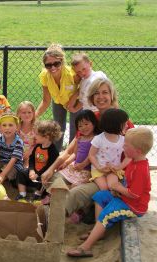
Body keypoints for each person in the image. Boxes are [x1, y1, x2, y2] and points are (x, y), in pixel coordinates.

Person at [41, 78, 135, 218]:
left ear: (112, 95)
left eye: (105, 92)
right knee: (54, 178)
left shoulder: (121, 121)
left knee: (76, 193)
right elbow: (70, 150)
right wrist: (51, 168)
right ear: (92, 97)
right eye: (96, 93)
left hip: (109, 174)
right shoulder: (90, 119)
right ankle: (75, 210)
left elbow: (133, 155)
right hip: (87, 169)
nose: (101, 97)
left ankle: (53, 217)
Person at [67, 127, 153, 257]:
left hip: (134, 206)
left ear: (137, 151)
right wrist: (117, 189)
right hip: (124, 198)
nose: (123, 147)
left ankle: (86, 247)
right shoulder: (134, 161)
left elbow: (135, 194)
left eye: (126, 146)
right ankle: (99, 232)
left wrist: (117, 187)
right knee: (99, 196)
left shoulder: (140, 169)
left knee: (107, 213)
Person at [35, 44, 79, 151]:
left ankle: (71, 156)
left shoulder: (72, 74)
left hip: (77, 101)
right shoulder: (45, 76)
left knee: (75, 127)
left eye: (56, 63)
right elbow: (46, 100)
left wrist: (73, 101)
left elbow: (83, 88)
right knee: (57, 127)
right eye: (48, 65)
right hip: (58, 100)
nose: (53, 67)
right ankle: (55, 153)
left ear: (62, 61)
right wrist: (34, 116)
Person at [17, 120, 61, 201]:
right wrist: (31, 170)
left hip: (42, 174)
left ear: (46, 136)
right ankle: (22, 193)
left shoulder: (53, 151)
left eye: (37, 134)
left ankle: (37, 194)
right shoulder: (38, 146)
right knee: (21, 172)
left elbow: (48, 167)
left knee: (44, 179)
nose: (34, 136)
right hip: (34, 172)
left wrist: (38, 174)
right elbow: (32, 159)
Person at [88, 108, 131, 191]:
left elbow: (128, 157)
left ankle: (114, 202)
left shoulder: (123, 140)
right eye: (125, 124)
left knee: (112, 186)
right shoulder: (99, 139)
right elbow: (91, 155)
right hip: (98, 170)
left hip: (113, 171)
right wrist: (99, 167)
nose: (127, 126)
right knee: (104, 187)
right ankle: (102, 202)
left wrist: (119, 167)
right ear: (115, 125)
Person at [58, 110, 99, 187]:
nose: (83, 127)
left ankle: (68, 197)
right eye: (80, 126)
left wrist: (83, 164)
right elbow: (75, 154)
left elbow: (92, 155)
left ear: (94, 123)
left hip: (87, 170)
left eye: (86, 124)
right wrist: (66, 163)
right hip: (76, 167)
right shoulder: (79, 139)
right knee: (59, 178)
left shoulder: (96, 139)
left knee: (74, 186)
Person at [16, 101, 36, 168]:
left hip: (32, 153)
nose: (27, 115)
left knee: (27, 166)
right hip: (18, 153)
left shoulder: (36, 128)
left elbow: (38, 144)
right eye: (24, 113)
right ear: (19, 114)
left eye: (29, 112)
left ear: (33, 113)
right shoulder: (17, 127)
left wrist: (28, 154)